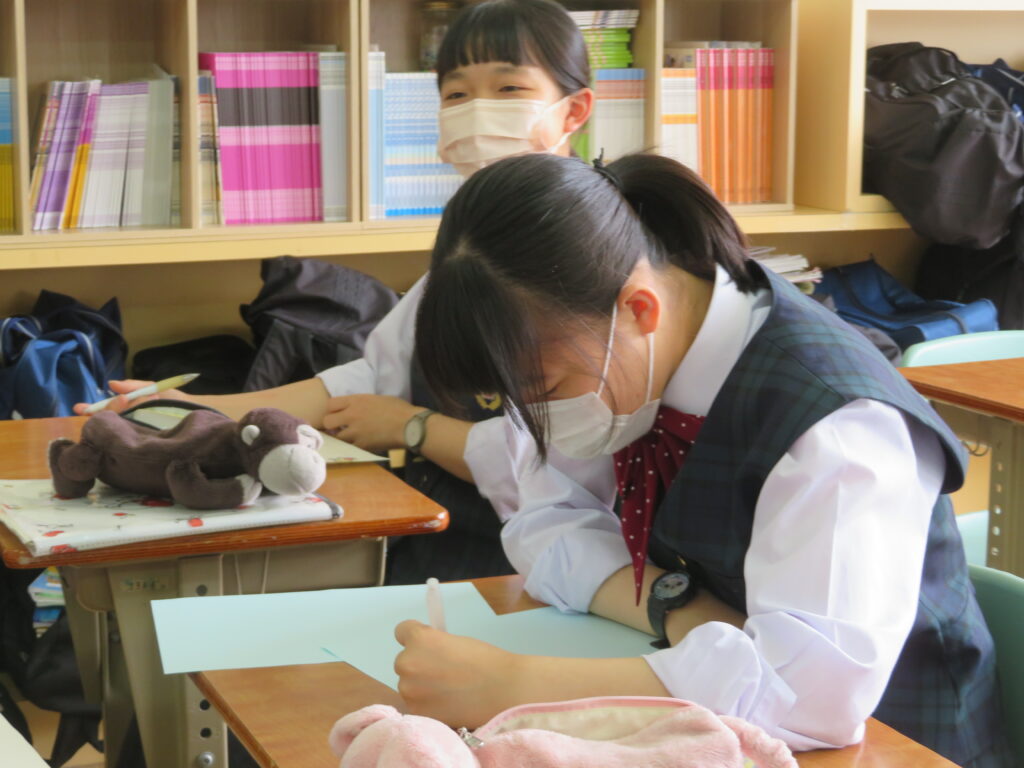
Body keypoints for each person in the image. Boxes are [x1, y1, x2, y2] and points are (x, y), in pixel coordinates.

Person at [392, 151, 1011, 768]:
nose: (533, 420)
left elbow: (809, 700)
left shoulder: (839, 424)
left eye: (544, 389)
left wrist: (515, 685)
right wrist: (675, 606)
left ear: (639, 309)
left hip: (897, 746)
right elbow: (544, 519)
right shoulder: (617, 354)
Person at [73, 0, 598, 585]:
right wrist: (187, 409)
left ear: (574, 109)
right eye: (456, 94)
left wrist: (415, 427)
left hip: (554, 564)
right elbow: (369, 380)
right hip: (450, 546)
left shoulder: (592, 252)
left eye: (508, 88)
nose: (477, 110)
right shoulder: (472, 241)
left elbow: (564, 464)